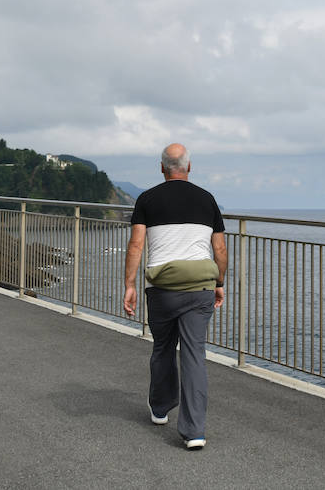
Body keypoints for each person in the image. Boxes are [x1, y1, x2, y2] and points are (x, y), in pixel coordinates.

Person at [123, 143, 227, 450]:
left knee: (164, 347)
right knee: (194, 354)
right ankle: (195, 431)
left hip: (163, 290)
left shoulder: (146, 199)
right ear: (189, 167)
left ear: (161, 168)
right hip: (200, 288)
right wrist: (219, 281)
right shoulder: (207, 199)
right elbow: (219, 249)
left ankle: (160, 407)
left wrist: (130, 284)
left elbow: (135, 246)